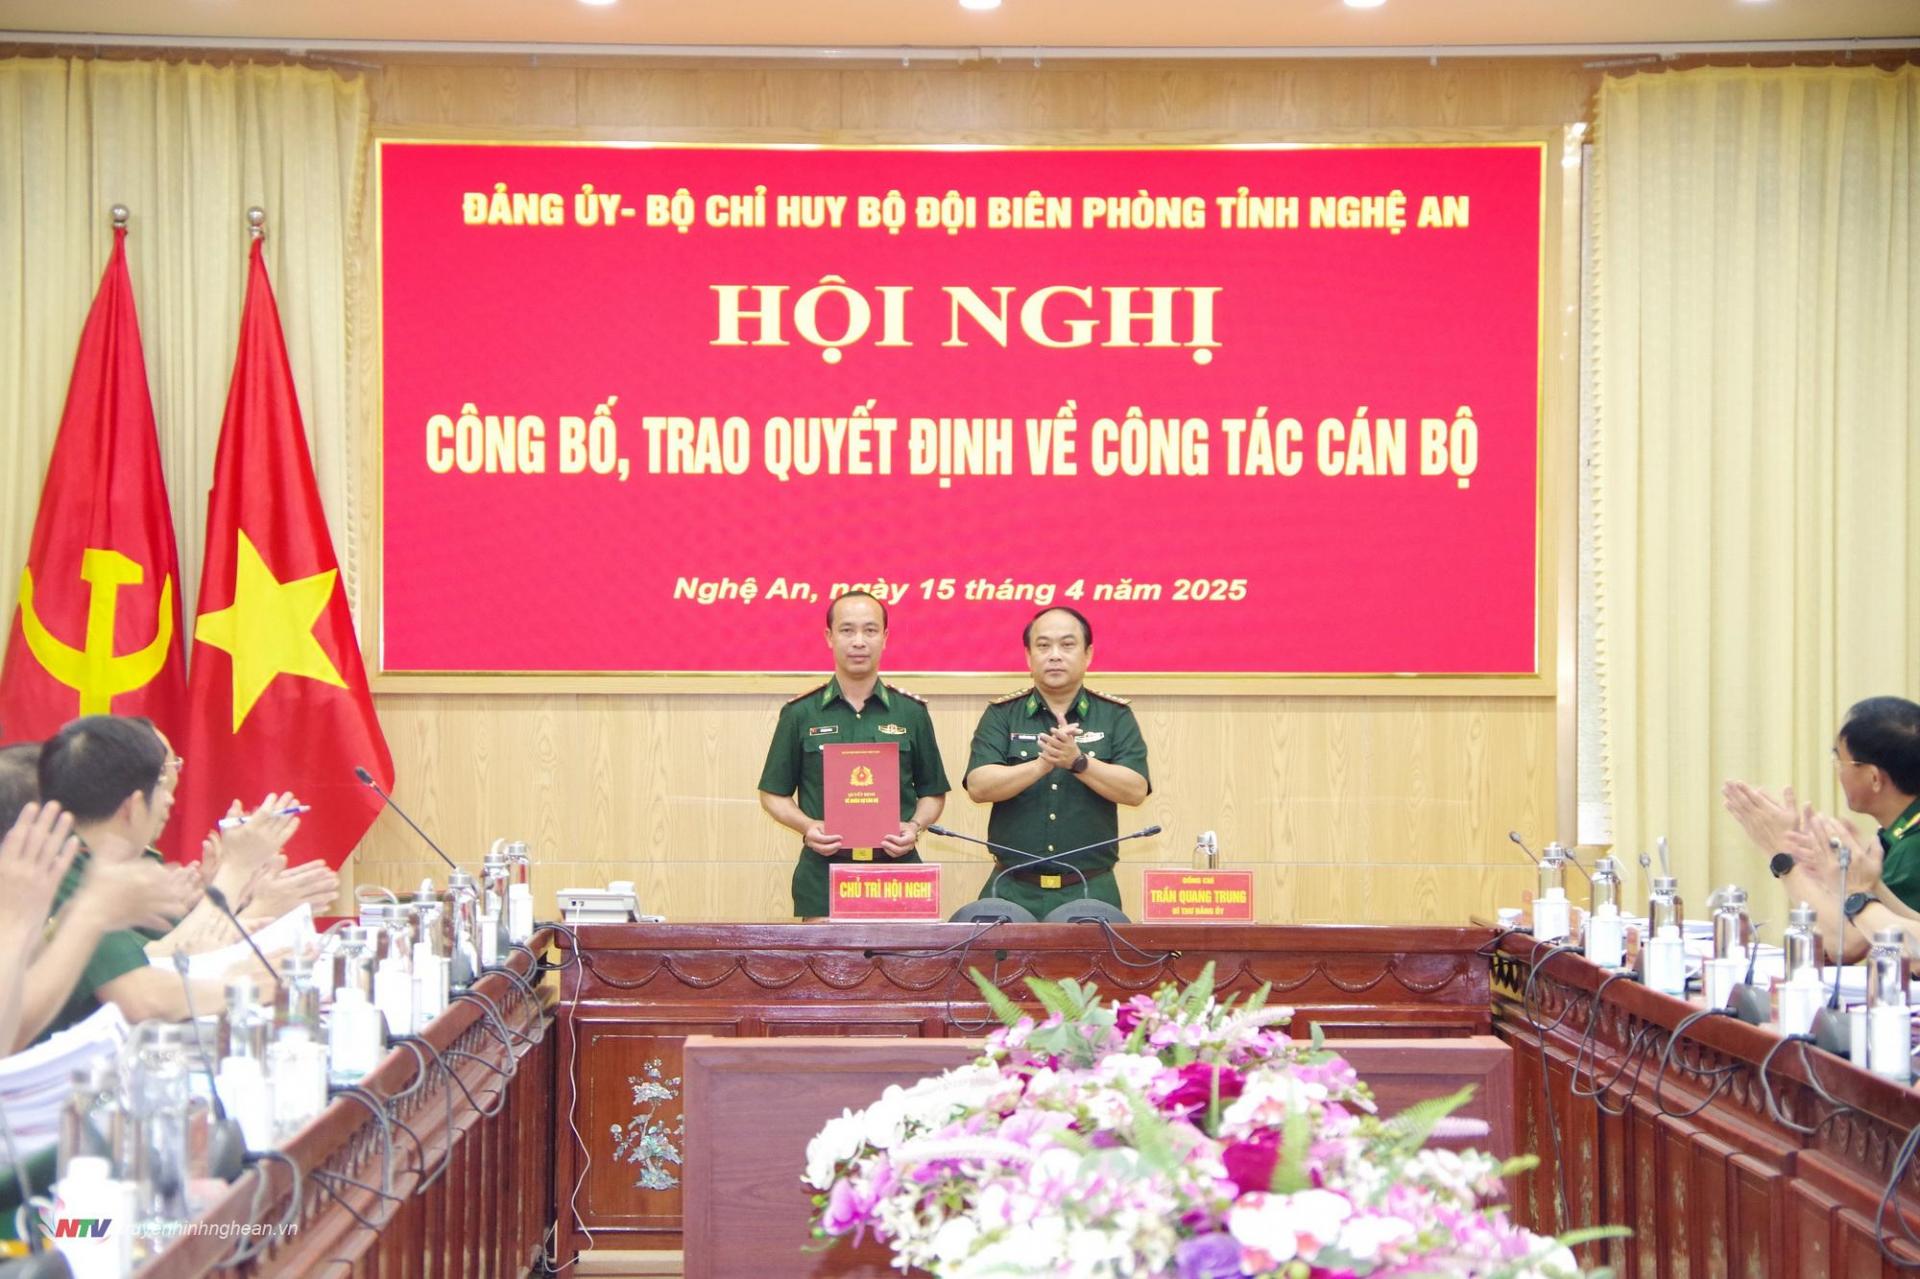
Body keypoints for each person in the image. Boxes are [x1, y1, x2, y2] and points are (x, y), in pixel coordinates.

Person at [18, 716, 246, 1045]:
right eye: (161, 784)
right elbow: (142, 998)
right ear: (134, 805)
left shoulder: (87, 863)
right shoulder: (66, 871)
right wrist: (251, 986)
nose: (169, 799)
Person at [758, 592, 949, 920]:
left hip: (897, 873)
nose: (859, 641)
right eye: (847, 630)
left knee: (905, 955)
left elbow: (933, 793)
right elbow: (773, 794)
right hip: (824, 875)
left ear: (885, 638)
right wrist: (807, 826)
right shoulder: (801, 713)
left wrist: (915, 826)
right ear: (829, 637)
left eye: (870, 630)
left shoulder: (911, 713)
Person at [963, 606, 1150, 920]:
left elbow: (1135, 790)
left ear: (1088, 654)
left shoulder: (1115, 715)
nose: (1054, 655)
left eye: (1067, 645)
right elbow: (979, 786)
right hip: (1010, 888)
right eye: (1043, 645)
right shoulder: (1002, 714)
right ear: (1028, 656)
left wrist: (1078, 762)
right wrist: (1041, 765)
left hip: (1091, 889)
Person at [1725, 695, 1920, 960]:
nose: (1838, 771)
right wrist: (1837, 877)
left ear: (1874, 777)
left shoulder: (1912, 847)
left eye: (1840, 761)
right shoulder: (1899, 833)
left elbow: (1846, 944)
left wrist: (1782, 854)